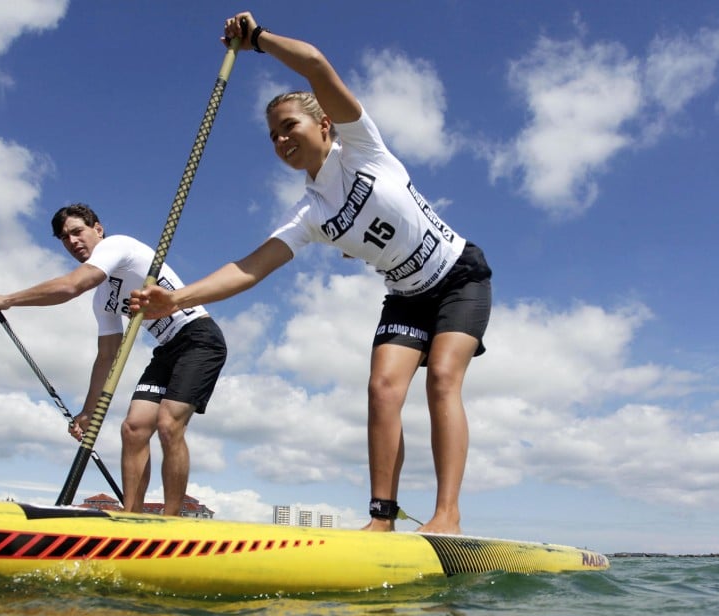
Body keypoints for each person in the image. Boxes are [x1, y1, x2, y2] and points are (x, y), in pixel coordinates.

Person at [130, 13, 491, 534]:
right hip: (406, 294)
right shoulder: (311, 214)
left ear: (324, 125)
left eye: (289, 127)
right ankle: (382, 520)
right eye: (273, 136)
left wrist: (258, 41)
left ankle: (447, 515)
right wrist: (176, 298)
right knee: (383, 390)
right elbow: (250, 268)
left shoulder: (363, 150)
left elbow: (318, 66)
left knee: (440, 379)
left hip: (459, 277)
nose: (281, 140)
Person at [0, 203, 227, 516]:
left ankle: (172, 520)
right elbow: (107, 356)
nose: (72, 241)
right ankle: (131, 517)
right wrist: (88, 411)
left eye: (76, 231)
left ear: (97, 228)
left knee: (167, 423)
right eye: (64, 238)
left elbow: (72, 285)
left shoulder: (116, 246)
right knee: (133, 428)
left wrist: (9, 299)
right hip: (167, 348)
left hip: (199, 339)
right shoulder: (102, 298)